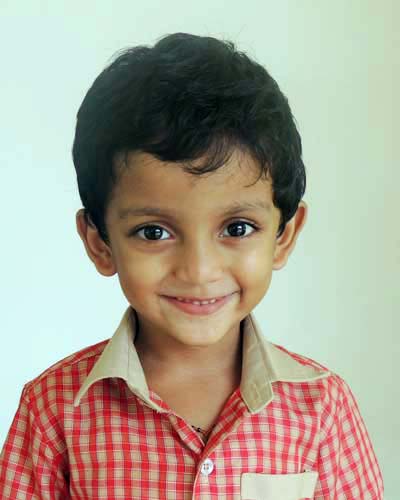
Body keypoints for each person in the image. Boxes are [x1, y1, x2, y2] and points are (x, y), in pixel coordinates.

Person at [0, 32, 384, 499]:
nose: (199, 270)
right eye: (153, 232)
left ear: (284, 236)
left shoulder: (322, 407)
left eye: (237, 228)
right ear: (100, 243)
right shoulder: (53, 412)